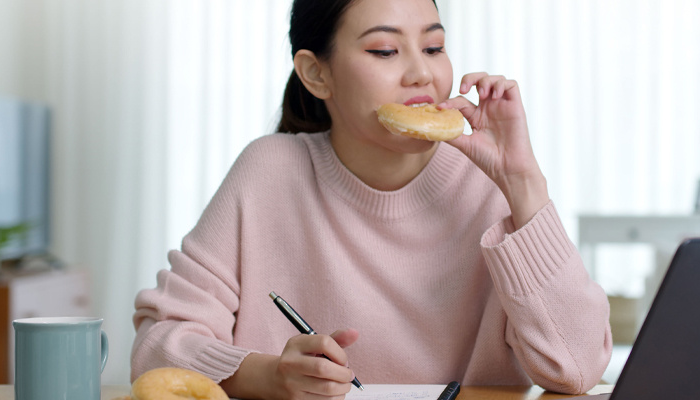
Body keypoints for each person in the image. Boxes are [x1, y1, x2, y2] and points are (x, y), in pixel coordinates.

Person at [130, 0, 612, 398]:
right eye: (385, 50)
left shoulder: (489, 183)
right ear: (317, 75)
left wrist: (523, 183)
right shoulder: (268, 173)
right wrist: (272, 375)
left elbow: (574, 368)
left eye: (434, 46)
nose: (422, 73)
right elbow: (156, 350)